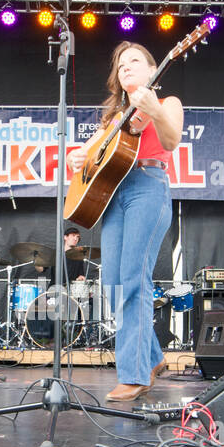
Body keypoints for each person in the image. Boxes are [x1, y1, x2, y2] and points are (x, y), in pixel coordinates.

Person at [68, 42, 183, 401]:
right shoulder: (115, 118)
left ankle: (134, 375)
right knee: (114, 284)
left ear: (152, 71)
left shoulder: (167, 104)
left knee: (135, 279)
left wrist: (156, 112)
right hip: (114, 194)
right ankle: (152, 357)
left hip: (147, 188)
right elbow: (96, 159)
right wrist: (80, 159)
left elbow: (171, 139)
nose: (126, 68)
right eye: (120, 65)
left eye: (135, 61)